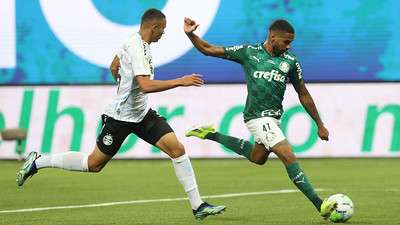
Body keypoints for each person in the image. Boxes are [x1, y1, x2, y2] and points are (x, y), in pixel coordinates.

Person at [16, 9, 226, 220]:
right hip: (121, 118)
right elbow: (145, 85)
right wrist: (181, 80)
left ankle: (198, 205)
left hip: (142, 114)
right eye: (162, 30)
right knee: (93, 164)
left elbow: (114, 66)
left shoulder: (131, 41)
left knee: (177, 149)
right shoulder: (138, 49)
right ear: (153, 27)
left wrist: (124, 83)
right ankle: (38, 161)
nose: (162, 34)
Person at [183, 17, 336, 219]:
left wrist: (320, 124)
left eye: (291, 43)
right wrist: (190, 34)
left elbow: (303, 94)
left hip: (274, 118)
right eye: (286, 42)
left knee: (258, 158)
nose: (289, 46)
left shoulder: (290, 62)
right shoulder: (249, 52)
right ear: (272, 37)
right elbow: (209, 49)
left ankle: (211, 134)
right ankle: (321, 205)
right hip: (256, 117)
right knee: (287, 155)